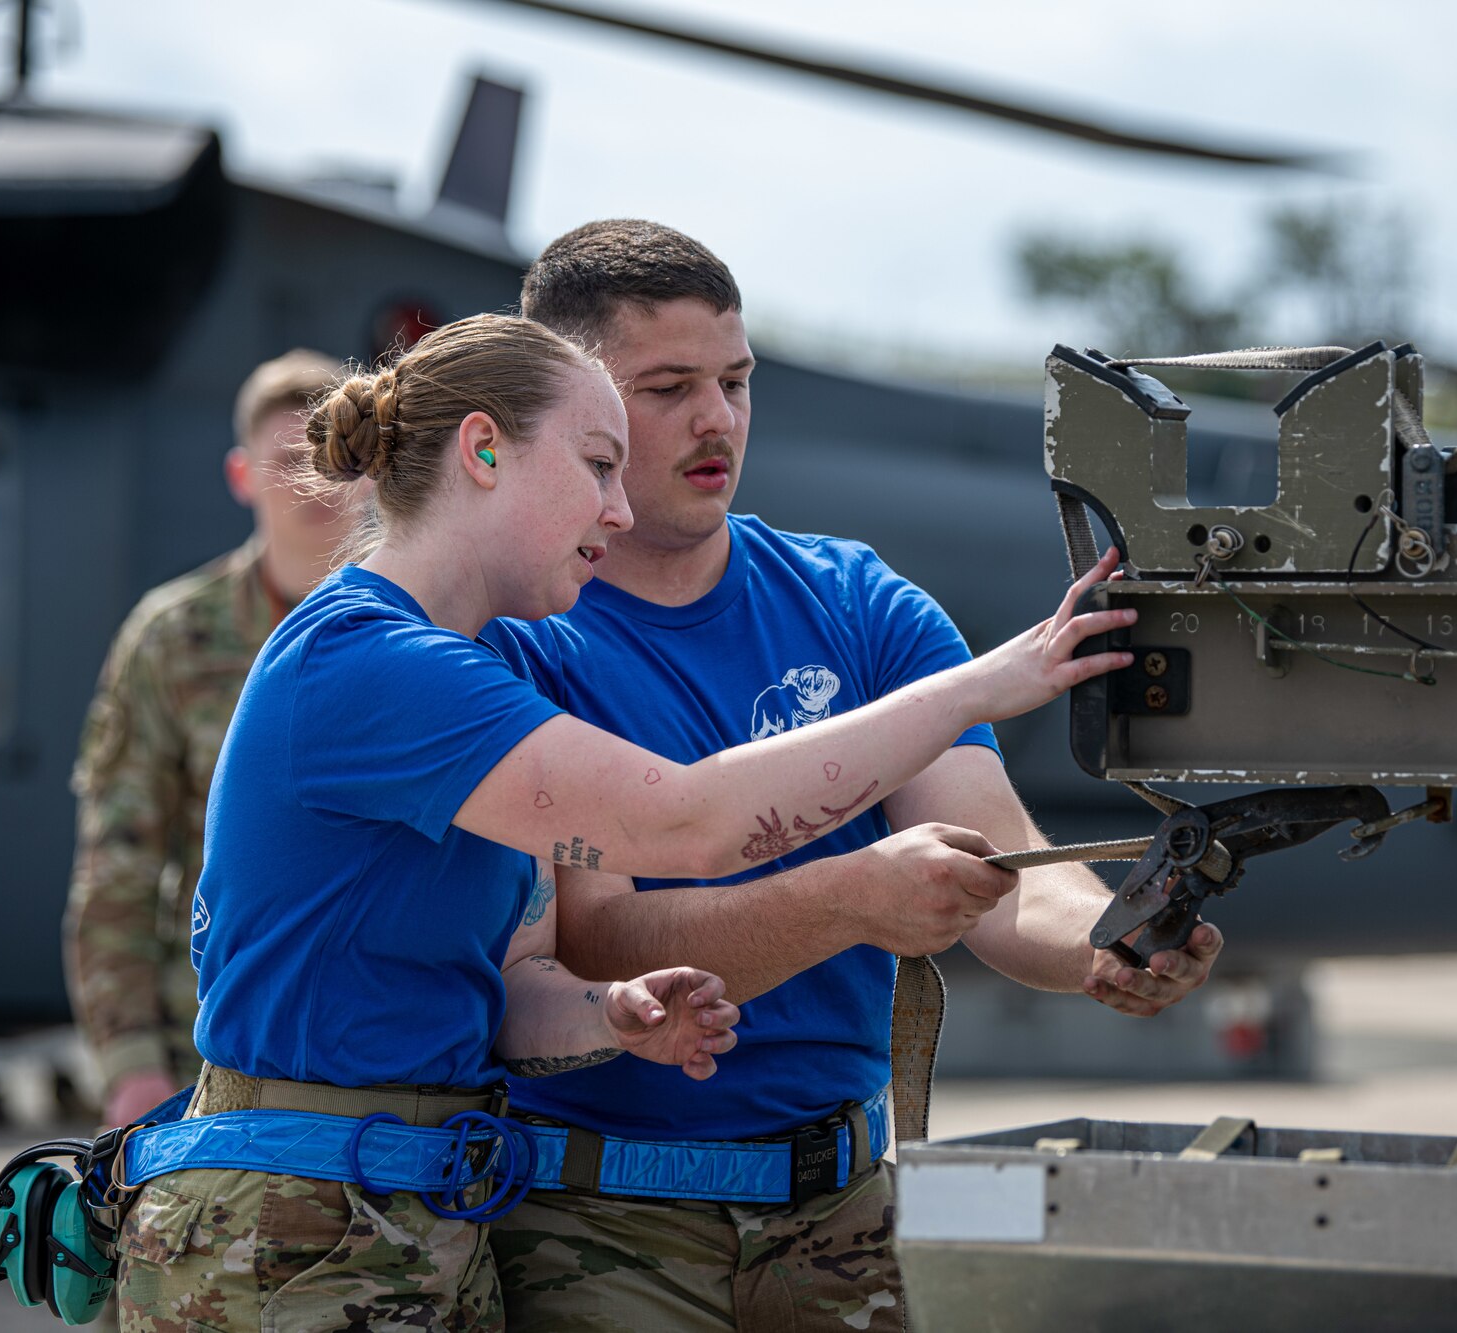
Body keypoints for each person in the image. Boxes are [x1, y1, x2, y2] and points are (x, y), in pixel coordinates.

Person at [112, 312, 1134, 1333]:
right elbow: (687, 823)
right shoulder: (373, 662)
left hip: (412, 1219)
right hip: (292, 1234)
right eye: (598, 463)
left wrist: (611, 1013)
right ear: (480, 450)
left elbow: (502, 989)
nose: (616, 507)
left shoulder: (464, 671)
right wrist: (981, 686)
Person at [482, 220, 1225, 1332]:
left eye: (735, 380)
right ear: (572, 407)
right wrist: (852, 897)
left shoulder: (857, 604)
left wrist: (1106, 943)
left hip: (839, 1216)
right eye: (668, 386)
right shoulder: (514, 638)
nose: (715, 419)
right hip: (600, 1225)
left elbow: (1001, 867)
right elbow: (598, 942)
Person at [66, 349, 355, 1130]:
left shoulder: (430, 629)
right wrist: (130, 1069)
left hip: (378, 1054)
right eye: (290, 459)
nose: (313, 481)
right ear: (240, 475)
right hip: (207, 1056)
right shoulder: (174, 638)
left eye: (335, 456)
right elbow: (117, 869)